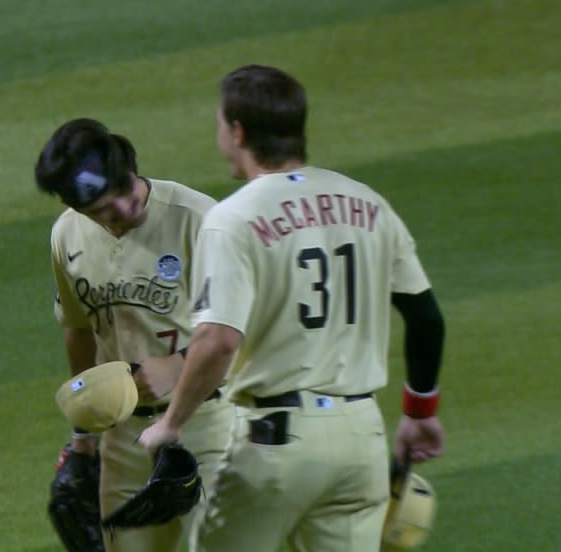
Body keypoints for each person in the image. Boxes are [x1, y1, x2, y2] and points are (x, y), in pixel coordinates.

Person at [139, 64, 446, 551]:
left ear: (238, 132)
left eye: (221, 124)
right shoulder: (368, 203)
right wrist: (420, 412)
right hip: (361, 441)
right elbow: (426, 316)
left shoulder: (233, 217)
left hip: (276, 444)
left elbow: (218, 339)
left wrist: (170, 425)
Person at [36, 118, 234, 552]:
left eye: (125, 193)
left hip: (209, 427)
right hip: (122, 438)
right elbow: (80, 331)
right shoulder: (66, 235)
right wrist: (83, 438)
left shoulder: (200, 220)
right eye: (105, 211)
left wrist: (180, 367)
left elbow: (253, 329)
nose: (125, 211)